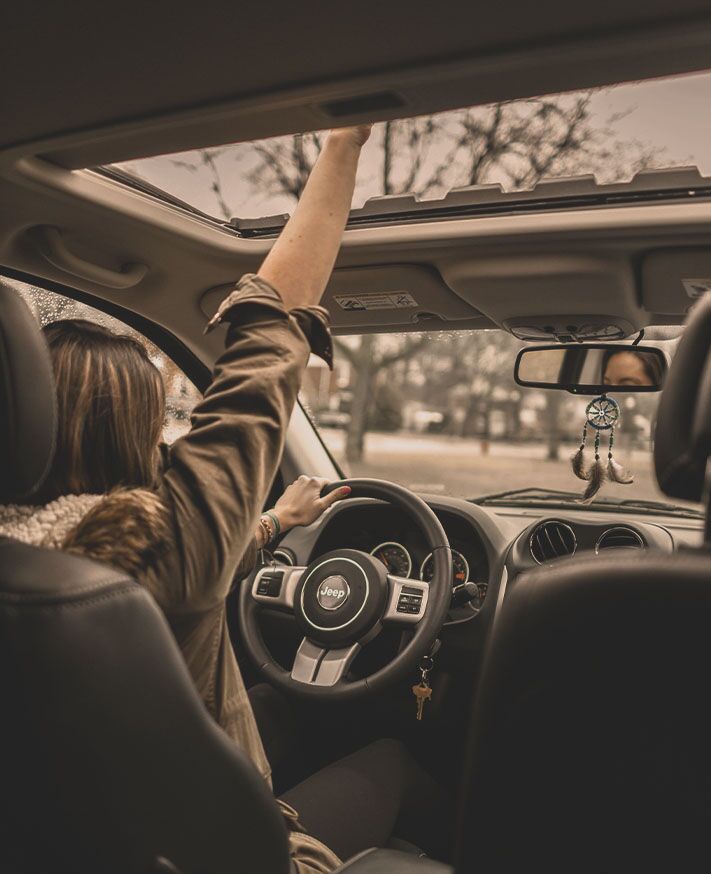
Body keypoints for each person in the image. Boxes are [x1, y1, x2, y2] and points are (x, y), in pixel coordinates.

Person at [0, 126, 450, 871]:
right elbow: (270, 340)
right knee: (396, 758)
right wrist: (344, 142)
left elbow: (211, 559)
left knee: (280, 713)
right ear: (136, 438)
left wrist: (272, 523)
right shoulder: (158, 549)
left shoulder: (39, 573)